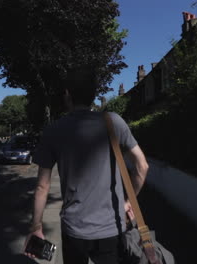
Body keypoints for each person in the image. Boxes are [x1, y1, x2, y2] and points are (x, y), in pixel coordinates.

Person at [23, 68, 149, 264]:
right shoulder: (113, 122)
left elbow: (42, 186)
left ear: (67, 95)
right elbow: (142, 166)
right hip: (111, 227)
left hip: (74, 229)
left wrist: (36, 226)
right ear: (94, 94)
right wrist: (127, 202)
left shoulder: (53, 131)